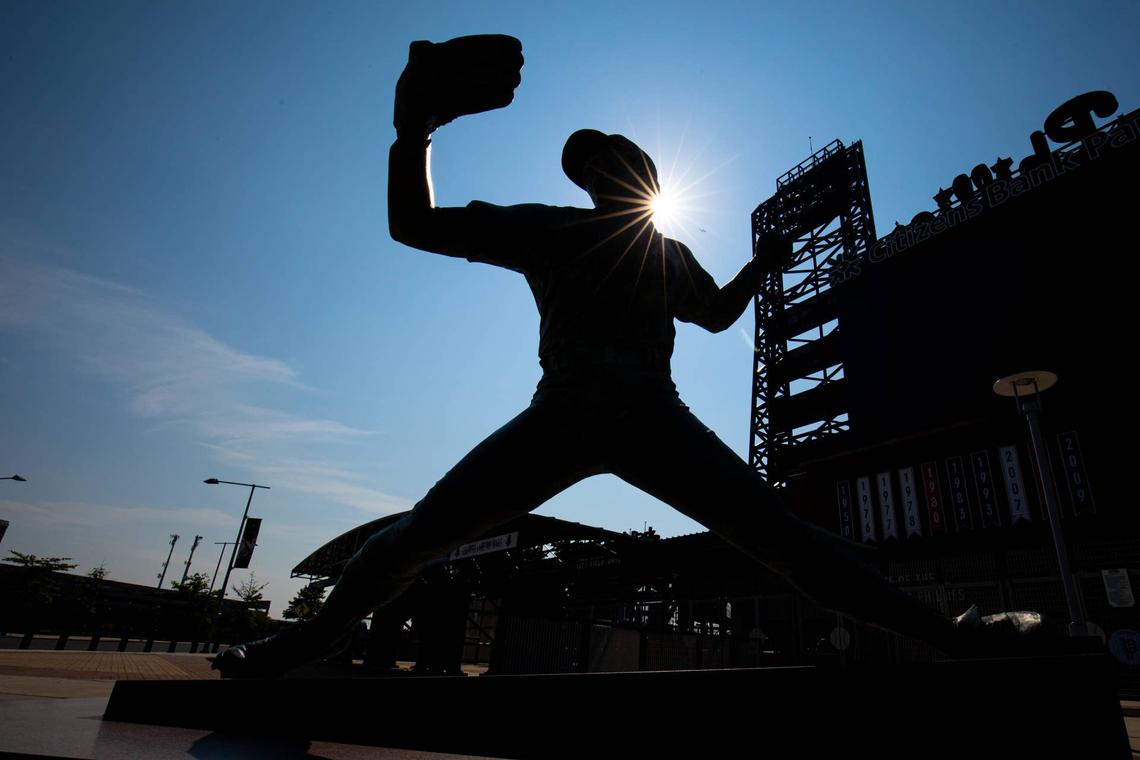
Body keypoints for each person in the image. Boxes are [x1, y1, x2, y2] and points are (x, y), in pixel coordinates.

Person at [214, 35, 1046, 678]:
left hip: (638, 411)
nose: (610, 167)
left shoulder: (657, 249)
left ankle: (954, 637)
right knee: (413, 538)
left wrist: (761, 264)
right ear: (602, 178)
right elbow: (414, 224)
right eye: (597, 161)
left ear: (640, 172)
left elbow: (717, 314)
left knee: (786, 541)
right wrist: (413, 133)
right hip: (581, 409)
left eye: (615, 156)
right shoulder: (564, 229)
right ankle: (299, 649)